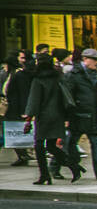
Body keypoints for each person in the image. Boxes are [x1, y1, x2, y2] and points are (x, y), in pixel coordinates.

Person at [64, 48, 97, 181]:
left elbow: (96, 99)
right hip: (79, 116)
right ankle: (55, 166)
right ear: (85, 59)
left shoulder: (95, 75)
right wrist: (68, 117)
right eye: (95, 60)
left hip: (93, 116)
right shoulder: (74, 75)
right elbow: (68, 97)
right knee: (69, 143)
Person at [23, 52, 75, 184]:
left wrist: (28, 119)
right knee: (52, 146)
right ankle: (74, 167)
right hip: (57, 115)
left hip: (44, 117)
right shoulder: (57, 77)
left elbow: (34, 101)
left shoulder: (38, 80)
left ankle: (44, 175)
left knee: (39, 146)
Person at [6, 49, 35, 166]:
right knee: (13, 130)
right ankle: (23, 154)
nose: (20, 60)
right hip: (14, 105)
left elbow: (22, 92)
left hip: (16, 106)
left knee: (15, 130)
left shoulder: (21, 74)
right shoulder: (14, 72)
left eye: (23, 58)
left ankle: (24, 154)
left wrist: (24, 109)